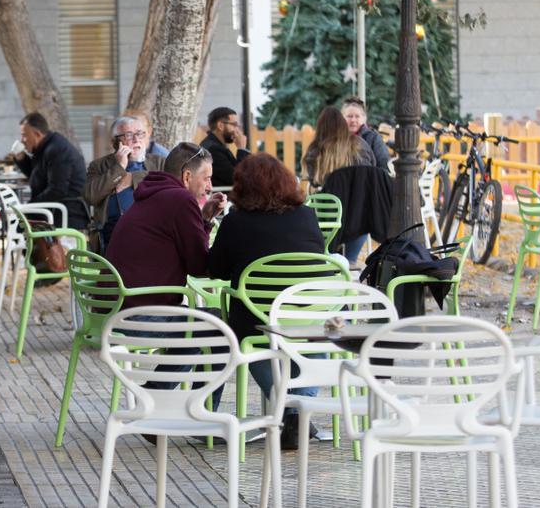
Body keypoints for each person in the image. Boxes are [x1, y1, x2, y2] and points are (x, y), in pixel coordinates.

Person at [208, 152, 326, 449]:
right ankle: (297, 409)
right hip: (306, 315)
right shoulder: (307, 215)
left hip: (256, 320)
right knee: (327, 329)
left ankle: (290, 410)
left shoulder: (236, 222)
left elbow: (215, 271)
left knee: (246, 335)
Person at [106, 142, 225, 308]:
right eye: (207, 179)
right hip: (144, 316)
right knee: (226, 326)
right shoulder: (181, 199)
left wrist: (204, 219)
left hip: (113, 313)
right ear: (187, 177)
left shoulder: (151, 194)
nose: (209, 187)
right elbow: (199, 267)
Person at [303, 106, 375, 262]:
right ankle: (350, 261)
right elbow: (371, 170)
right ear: (343, 125)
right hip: (358, 213)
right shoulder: (359, 145)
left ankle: (330, 260)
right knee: (350, 259)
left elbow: (314, 180)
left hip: (327, 213)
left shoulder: (315, 150)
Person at [84, 116, 167, 251]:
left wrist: (133, 179)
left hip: (154, 229)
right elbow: (90, 196)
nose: (136, 139)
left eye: (140, 133)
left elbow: (174, 185)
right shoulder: (99, 166)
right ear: (114, 142)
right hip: (114, 232)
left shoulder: (160, 163)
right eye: (129, 135)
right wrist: (119, 168)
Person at [13, 112, 88, 231]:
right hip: (53, 207)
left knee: (20, 226)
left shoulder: (56, 149)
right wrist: (22, 159)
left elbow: (57, 190)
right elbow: (38, 176)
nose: (22, 140)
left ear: (37, 134)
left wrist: (31, 206)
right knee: (19, 225)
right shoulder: (44, 147)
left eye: (24, 135)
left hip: (67, 212)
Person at [199, 106, 251, 187]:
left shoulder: (216, 145)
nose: (237, 129)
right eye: (234, 124)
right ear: (220, 125)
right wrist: (242, 149)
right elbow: (238, 179)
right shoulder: (213, 149)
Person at [342, 97, 392, 171]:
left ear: (364, 118)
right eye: (349, 116)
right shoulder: (336, 138)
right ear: (342, 118)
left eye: (357, 116)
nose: (353, 120)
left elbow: (384, 165)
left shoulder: (373, 138)